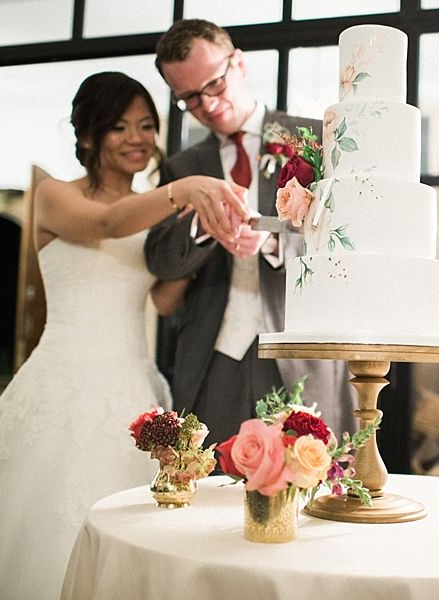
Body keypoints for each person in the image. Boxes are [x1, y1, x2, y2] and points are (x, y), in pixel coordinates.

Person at [0, 71, 248, 600]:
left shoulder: (156, 209)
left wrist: (202, 238)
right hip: (61, 385)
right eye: (120, 126)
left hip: (132, 389)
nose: (138, 138)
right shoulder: (54, 195)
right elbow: (106, 225)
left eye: (147, 125)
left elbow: (163, 300)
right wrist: (180, 190)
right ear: (88, 135)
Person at [145, 19, 357, 447]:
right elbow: (160, 259)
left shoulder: (311, 138)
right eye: (188, 98)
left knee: (309, 489)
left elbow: (347, 239)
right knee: (210, 489)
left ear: (238, 64)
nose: (206, 104)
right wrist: (204, 227)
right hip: (213, 356)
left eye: (214, 85)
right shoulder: (182, 167)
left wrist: (274, 240)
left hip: (300, 348)